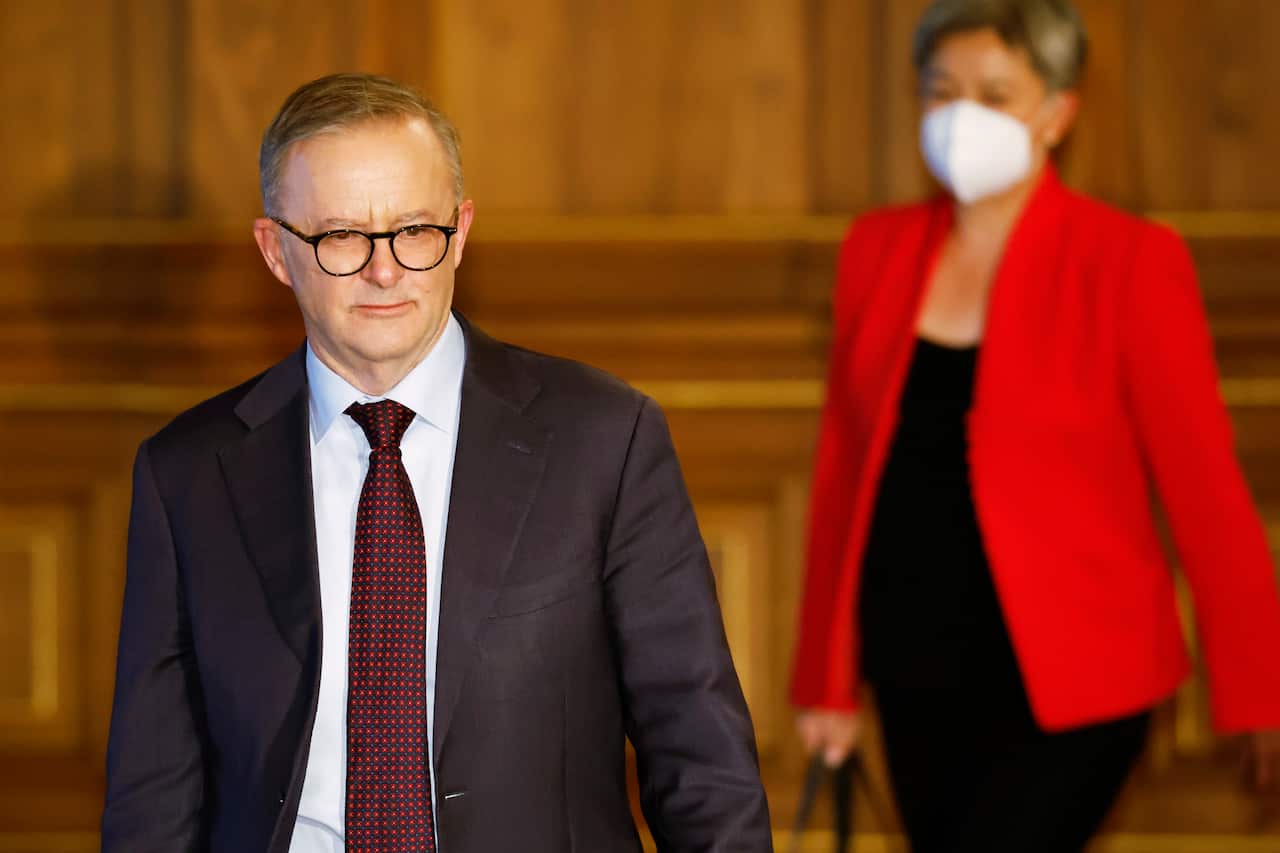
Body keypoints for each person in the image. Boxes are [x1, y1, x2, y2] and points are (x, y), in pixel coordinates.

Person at [101, 73, 772, 853]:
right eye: (341, 235)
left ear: (460, 231)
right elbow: (153, 797)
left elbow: (701, 757)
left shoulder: (603, 440)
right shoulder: (188, 475)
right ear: (276, 251)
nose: (384, 270)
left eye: (414, 229)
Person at [790, 1, 1280, 850]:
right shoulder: (876, 249)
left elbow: (1205, 493)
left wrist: (1261, 691)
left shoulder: (1129, 260)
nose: (961, 116)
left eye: (994, 94)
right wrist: (824, 680)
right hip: (914, 662)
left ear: (1057, 112)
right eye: (941, 91)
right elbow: (843, 472)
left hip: (1078, 679)